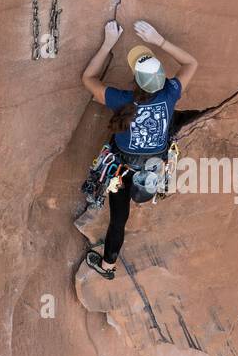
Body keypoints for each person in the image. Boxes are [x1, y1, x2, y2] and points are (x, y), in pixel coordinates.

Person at [80, 19, 199, 279]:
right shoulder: (171, 92)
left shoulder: (122, 99)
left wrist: (107, 44)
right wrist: (159, 41)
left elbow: (87, 78)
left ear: (136, 79)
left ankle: (108, 266)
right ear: (161, 79)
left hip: (120, 170)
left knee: (118, 219)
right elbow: (191, 64)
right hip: (153, 167)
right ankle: (109, 263)